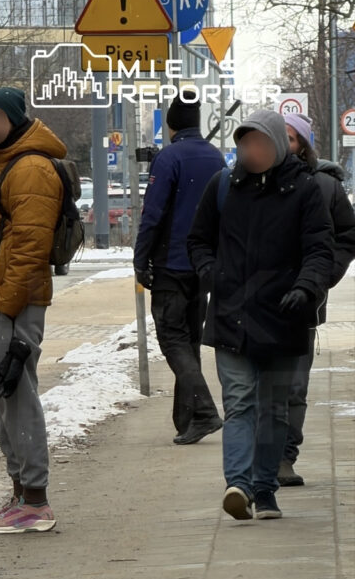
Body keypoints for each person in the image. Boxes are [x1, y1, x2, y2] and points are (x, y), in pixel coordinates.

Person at [187, 110, 334, 520]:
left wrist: (306, 287)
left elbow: (320, 250)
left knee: (272, 409)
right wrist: (209, 271)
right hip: (232, 313)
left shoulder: (305, 191)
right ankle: (239, 484)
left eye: (259, 143)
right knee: (238, 403)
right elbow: (198, 239)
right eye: (244, 144)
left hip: (284, 316)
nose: (252, 151)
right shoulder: (223, 186)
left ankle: (265, 489)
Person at [0, 87, 66, 534]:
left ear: (12, 120)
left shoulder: (30, 168)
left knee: (16, 397)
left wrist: (7, 304)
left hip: (14, 302)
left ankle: (36, 500)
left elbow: (30, 247)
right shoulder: (7, 165)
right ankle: (21, 491)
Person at [134, 96, 225, 445]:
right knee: (188, 340)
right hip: (202, 265)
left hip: (171, 263)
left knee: (172, 339)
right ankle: (185, 420)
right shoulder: (215, 157)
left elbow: (153, 214)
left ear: (171, 125)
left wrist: (140, 260)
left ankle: (203, 412)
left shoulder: (169, 157)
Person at [276, 112, 355, 486]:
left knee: (293, 386)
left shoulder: (324, 186)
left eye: (291, 139)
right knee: (252, 388)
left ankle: (284, 458)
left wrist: (322, 278)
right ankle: (254, 460)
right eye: (278, 137)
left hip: (301, 303)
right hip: (251, 304)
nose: (283, 145)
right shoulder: (243, 182)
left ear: (303, 145)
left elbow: (347, 235)